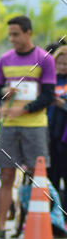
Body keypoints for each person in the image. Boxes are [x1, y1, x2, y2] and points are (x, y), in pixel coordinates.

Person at [0, 16, 56, 239]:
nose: (12, 39)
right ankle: (0, 229)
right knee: (6, 175)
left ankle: (35, 226)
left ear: (28, 33)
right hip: (9, 126)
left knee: (37, 177)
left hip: (35, 127)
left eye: (16, 34)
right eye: (10, 34)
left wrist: (25, 109)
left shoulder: (44, 59)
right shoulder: (4, 59)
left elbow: (49, 95)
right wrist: (5, 92)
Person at [48, 44, 67, 207]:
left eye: (65, 64)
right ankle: (54, 218)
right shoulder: (50, 80)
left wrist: (63, 104)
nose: (62, 67)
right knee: (51, 176)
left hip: (65, 137)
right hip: (51, 134)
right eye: (59, 63)